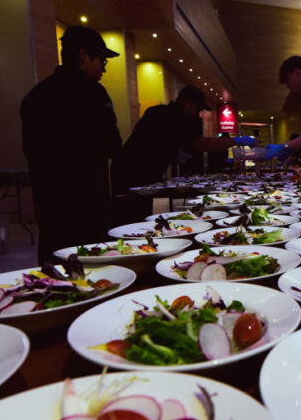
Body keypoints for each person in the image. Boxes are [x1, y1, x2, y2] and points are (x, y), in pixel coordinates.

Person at [20, 25, 122, 264]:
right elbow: (113, 146)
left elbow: (30, 151)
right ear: (83, 55)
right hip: (89, 206)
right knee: (96, 273)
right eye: (101, 61)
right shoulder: (94, 94)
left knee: (55, 273)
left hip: (50, 207)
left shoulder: (34, 97)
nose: (103, 69)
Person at [111, 85, 254, 194]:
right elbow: (200, 143)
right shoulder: (174, 118)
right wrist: (236, 141)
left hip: (133, 172)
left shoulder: (159, 112)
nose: (198, 113)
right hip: (132, 174)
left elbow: (165, 142)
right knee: (131, 216)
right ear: (186, 103)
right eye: (197, 109)